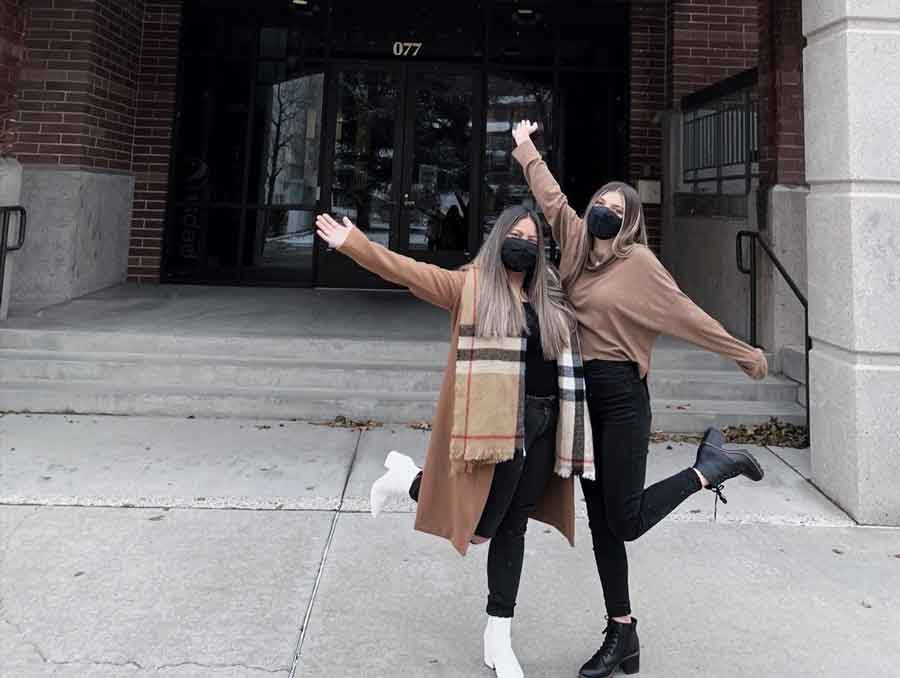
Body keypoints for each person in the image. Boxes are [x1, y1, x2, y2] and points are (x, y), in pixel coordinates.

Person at [511, 120, 769, 678]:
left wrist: (743, 353)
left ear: (629, 221)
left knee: (624, 520)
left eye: (613, 207)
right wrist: (524, 145)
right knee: (603, 526)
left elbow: (688, 316)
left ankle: (708, 471)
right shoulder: (578, 246)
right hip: (581, 401)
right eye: (598, 203)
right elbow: (551, 198)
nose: (602, 212)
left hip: (625, 398)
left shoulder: (643, 268)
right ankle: (621, 634)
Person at [315, 205, 595, 678]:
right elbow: (407, 271)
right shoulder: (469, 288)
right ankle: (407, 480)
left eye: (532, 238)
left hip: (546, 425)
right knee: (483, 527)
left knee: (513, 529)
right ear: (499, 239)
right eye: (516, 235)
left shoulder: (550, 297)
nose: (523, 244)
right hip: (498, 428)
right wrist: (355, 246)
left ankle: (498, 638)